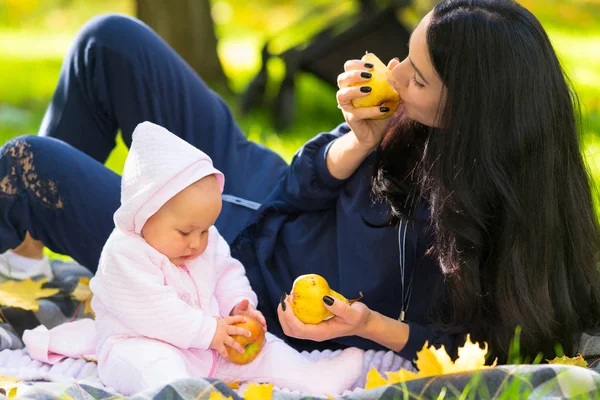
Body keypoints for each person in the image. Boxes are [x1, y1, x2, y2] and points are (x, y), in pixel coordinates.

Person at [0, 0, 599, 365]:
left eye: (415, 77)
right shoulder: (412, 128)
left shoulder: (491, 229)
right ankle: (26, 257)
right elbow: (297, 188)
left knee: (25, 166)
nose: (392, 74)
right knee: (110, 44)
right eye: (404, 56)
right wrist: (357, 141)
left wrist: (366, 326)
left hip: (221, 260)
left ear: (470, 114)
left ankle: (28, 221)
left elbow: (481, 344)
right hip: (260, 186)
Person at [24, 121, 364, 396]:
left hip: (209, 344)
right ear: (145, 214)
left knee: (267, 350)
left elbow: (227, 272)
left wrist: (237, 307)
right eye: (186, 232)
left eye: (205, 229)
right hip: (138, 342)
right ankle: (178, 392)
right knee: (157, 364)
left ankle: (315, 378)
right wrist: (209, 331)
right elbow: (154, 310)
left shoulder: (205, 238)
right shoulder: (125, 254)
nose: (197, 242)